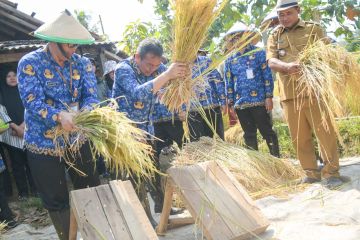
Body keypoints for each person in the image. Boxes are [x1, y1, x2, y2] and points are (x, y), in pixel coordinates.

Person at [17, 10, 100, 239]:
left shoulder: (82, 64)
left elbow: (91, 95)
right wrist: (58, 116)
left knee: (89, 187)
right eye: (70, 46)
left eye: (76, 46)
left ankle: (94, 233)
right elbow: (32, 101)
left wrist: (85, 113)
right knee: (56, 198)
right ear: (55, 42)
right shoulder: (29, 63)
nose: (74, 51)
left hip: (77, 137)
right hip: (42, 141)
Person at [266, 0, 344, 188]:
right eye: (280, 15)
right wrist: (287, 67)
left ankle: (331, 172)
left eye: (288, 13)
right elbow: (271, 61)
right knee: (299, 136)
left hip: (314, 91)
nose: (284, 18)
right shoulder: (275, 35)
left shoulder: (313, 29)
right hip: (290, 95)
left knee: (325, 133)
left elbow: (327, 54)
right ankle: (311, 173)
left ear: (298, 11)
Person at [112, 38, 188, 224]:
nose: (152, 69)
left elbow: (174, 82)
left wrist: (181, 75)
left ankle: (163, 208)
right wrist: (166, 75)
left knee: (152, 170)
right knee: (135, 176)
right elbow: (137, 93)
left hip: (147, 129)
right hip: (126, 131)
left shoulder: (159, 69)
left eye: (156, 65)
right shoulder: (123, 69)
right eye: (148, 64)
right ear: (137, 56)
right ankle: (144, 219)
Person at [224, 22, 280, 158]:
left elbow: (267, 75)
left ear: (247, 37)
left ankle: (277, 160)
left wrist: (268, 96)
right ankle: (257, 164)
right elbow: (229, 82)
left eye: (240, 37)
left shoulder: (259, 53)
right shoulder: (230, 59)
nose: (237, 40)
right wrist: (230, 102)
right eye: (234, 38)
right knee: (249, 134)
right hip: (241, 103)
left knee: (267, 131)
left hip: (259, 100)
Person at [0, 70, 37, 200]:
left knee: (31, 163)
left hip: (28, 131)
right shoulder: (1, 94)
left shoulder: (24, 90)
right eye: (8, 76)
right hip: (11, 135)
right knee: (17, 165)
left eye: (14, 75)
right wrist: (15, 127)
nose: (12, 78)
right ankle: (23, 193)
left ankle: (36, 190)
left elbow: (31, 107)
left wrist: (23, 126)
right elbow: (2, 112)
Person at [187, 51, 226, 141]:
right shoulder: (180, 67)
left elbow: (218, 80)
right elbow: (177, 91)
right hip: (193, 111)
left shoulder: (206, 61)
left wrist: (223, 101)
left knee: (217, 139)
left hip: (212, 106)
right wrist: (182, 110)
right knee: (198, 142)